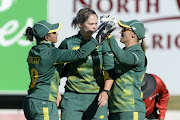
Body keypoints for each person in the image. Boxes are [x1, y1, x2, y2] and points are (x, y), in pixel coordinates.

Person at [22, 20, 111, 120]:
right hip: (44, 101)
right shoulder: (51, 53)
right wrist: (97, 38)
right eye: (54, 32)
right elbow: (80, 54)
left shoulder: (33, 51)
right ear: (47, 37)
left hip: (30, 101)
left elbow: (53, 71)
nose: (57, 34)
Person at [58, 8, 117, 120]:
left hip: (97, 97)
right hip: (72, 97)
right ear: (80, 25)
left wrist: (105, 91)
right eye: (90, 24)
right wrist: (55, 91)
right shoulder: (68, 43)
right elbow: (55, 70)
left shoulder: (103, 43)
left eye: (96, 23)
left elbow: (110, 70)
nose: (95, 27)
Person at [104, 19, 147, 120]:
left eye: (124, 29)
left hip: (131, 109)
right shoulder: (123, 52)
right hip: (115, 109)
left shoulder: (138, 54)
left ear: (133, 34)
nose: (120, 32)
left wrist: (109, 36)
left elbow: (123, 58)